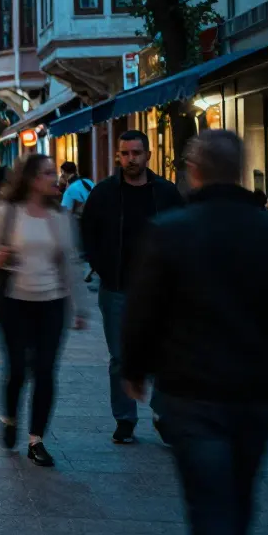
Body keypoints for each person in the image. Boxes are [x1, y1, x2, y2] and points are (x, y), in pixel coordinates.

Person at [122, 130, 268, 535]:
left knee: (208, 502)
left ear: (193, 172)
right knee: (240, 494)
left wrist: (135, 368)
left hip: (192, 388)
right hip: (258, 389)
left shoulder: (170, 230)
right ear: (239, 172)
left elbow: (144, 308)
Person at [0, 155, 86, 467]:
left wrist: (81, 306)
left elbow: (70, 262)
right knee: (17, 370)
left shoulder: (61, 215)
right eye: (48, 173)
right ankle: (9, 417)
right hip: (15, 301)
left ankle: (36, 439)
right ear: (32, 178)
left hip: (52, 302)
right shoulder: (7, 210)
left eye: (54, 173)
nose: (54, 178)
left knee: (46, 370)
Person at [80, 130, 185, 444]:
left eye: (136, 153)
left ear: (148, 155)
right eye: (125, 153)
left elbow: (182, 232)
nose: (130, 159)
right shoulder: (104, 193)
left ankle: (162, 413)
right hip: (117, 287)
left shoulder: (166, 193)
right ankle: (124, 419)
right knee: (120, 358)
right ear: (118, 156)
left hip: (161, 291)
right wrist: (103, 267)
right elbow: (89, 233)